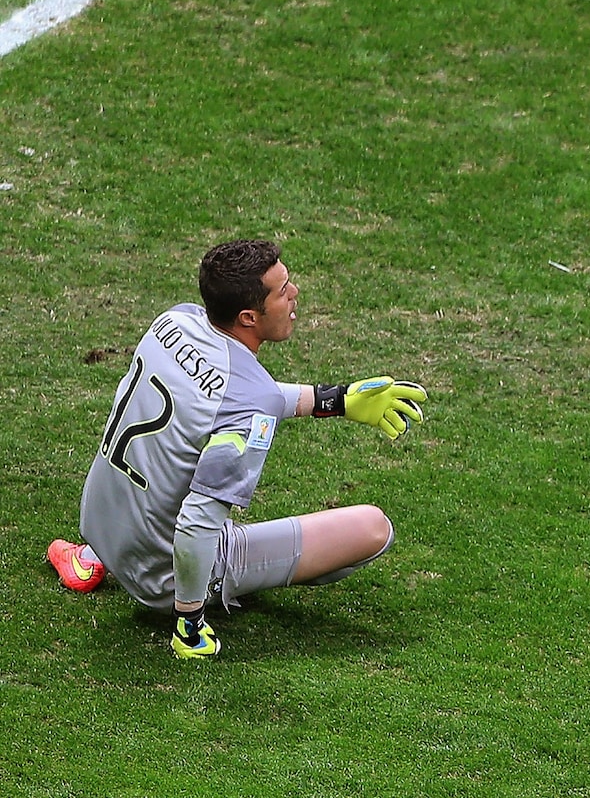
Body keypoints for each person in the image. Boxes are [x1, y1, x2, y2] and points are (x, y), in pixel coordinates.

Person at [49, 239, 428, 660]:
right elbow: (197, 522)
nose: (295, 293)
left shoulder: (173, 321)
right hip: (160, 576)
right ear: (249, 317)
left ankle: (87, 559)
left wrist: (335, 400)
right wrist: (189, 622)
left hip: (101, 525)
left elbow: (237, 395)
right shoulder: (249, 400)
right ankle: (190, 611)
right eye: (283, 290)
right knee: (374, 529)